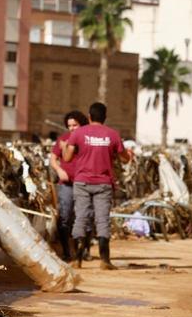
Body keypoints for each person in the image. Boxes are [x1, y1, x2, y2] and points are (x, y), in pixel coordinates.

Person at [61, 102, 133, 270]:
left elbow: (67, 158)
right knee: (102, 220)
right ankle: (105, 260)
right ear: (105, 117)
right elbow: (125, 159)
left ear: (89, 117)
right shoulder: (112, 135)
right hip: (103, 183)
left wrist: (65, 148)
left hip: (82, 182)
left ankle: (77, 259)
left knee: (81, 218)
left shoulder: (78, 133)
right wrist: (127, 154)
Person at [50, 110, 89, 261]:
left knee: (84, 217)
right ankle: (66, 251)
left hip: (84, 184)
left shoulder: (87, 140)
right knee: (65, 217)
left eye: (75, 125)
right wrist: (59, 170)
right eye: (69, 125)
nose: (72, 128)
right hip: (66, 185)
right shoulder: (63, 139)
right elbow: (53, 159)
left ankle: (83, 250)